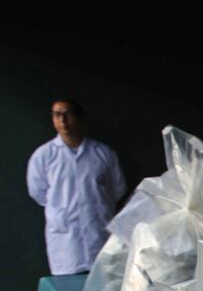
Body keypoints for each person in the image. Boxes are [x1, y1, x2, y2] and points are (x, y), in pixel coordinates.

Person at [26, 98, 127, 275]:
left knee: (102, 282)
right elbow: (37, 192)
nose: (63, 120)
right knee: (68, 286)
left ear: (79, 117)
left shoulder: (102, 153)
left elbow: (118, 188)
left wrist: (95, 208)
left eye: (67, 114)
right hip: (65, 241)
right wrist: (62, 211)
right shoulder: (44, 156)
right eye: (57, 115)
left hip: (99, 234)